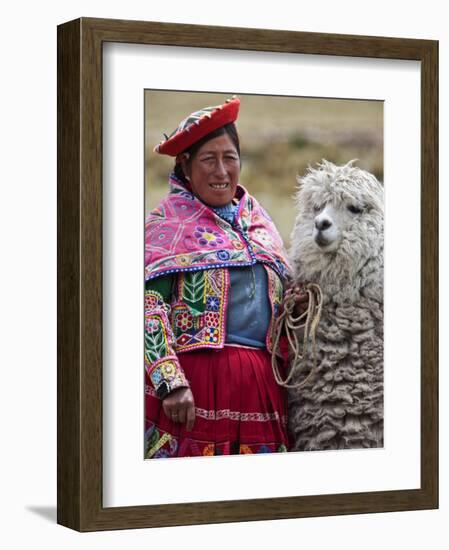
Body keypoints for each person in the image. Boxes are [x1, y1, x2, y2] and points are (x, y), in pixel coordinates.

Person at [144, 96, 292, 458]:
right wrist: (170, 383)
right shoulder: (167, 226)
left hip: (260, 387)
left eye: (230, 158)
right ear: (185, 164)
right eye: (209, 159)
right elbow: (147, 307)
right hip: (195, 387)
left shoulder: (258, 221)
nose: (221, 171)